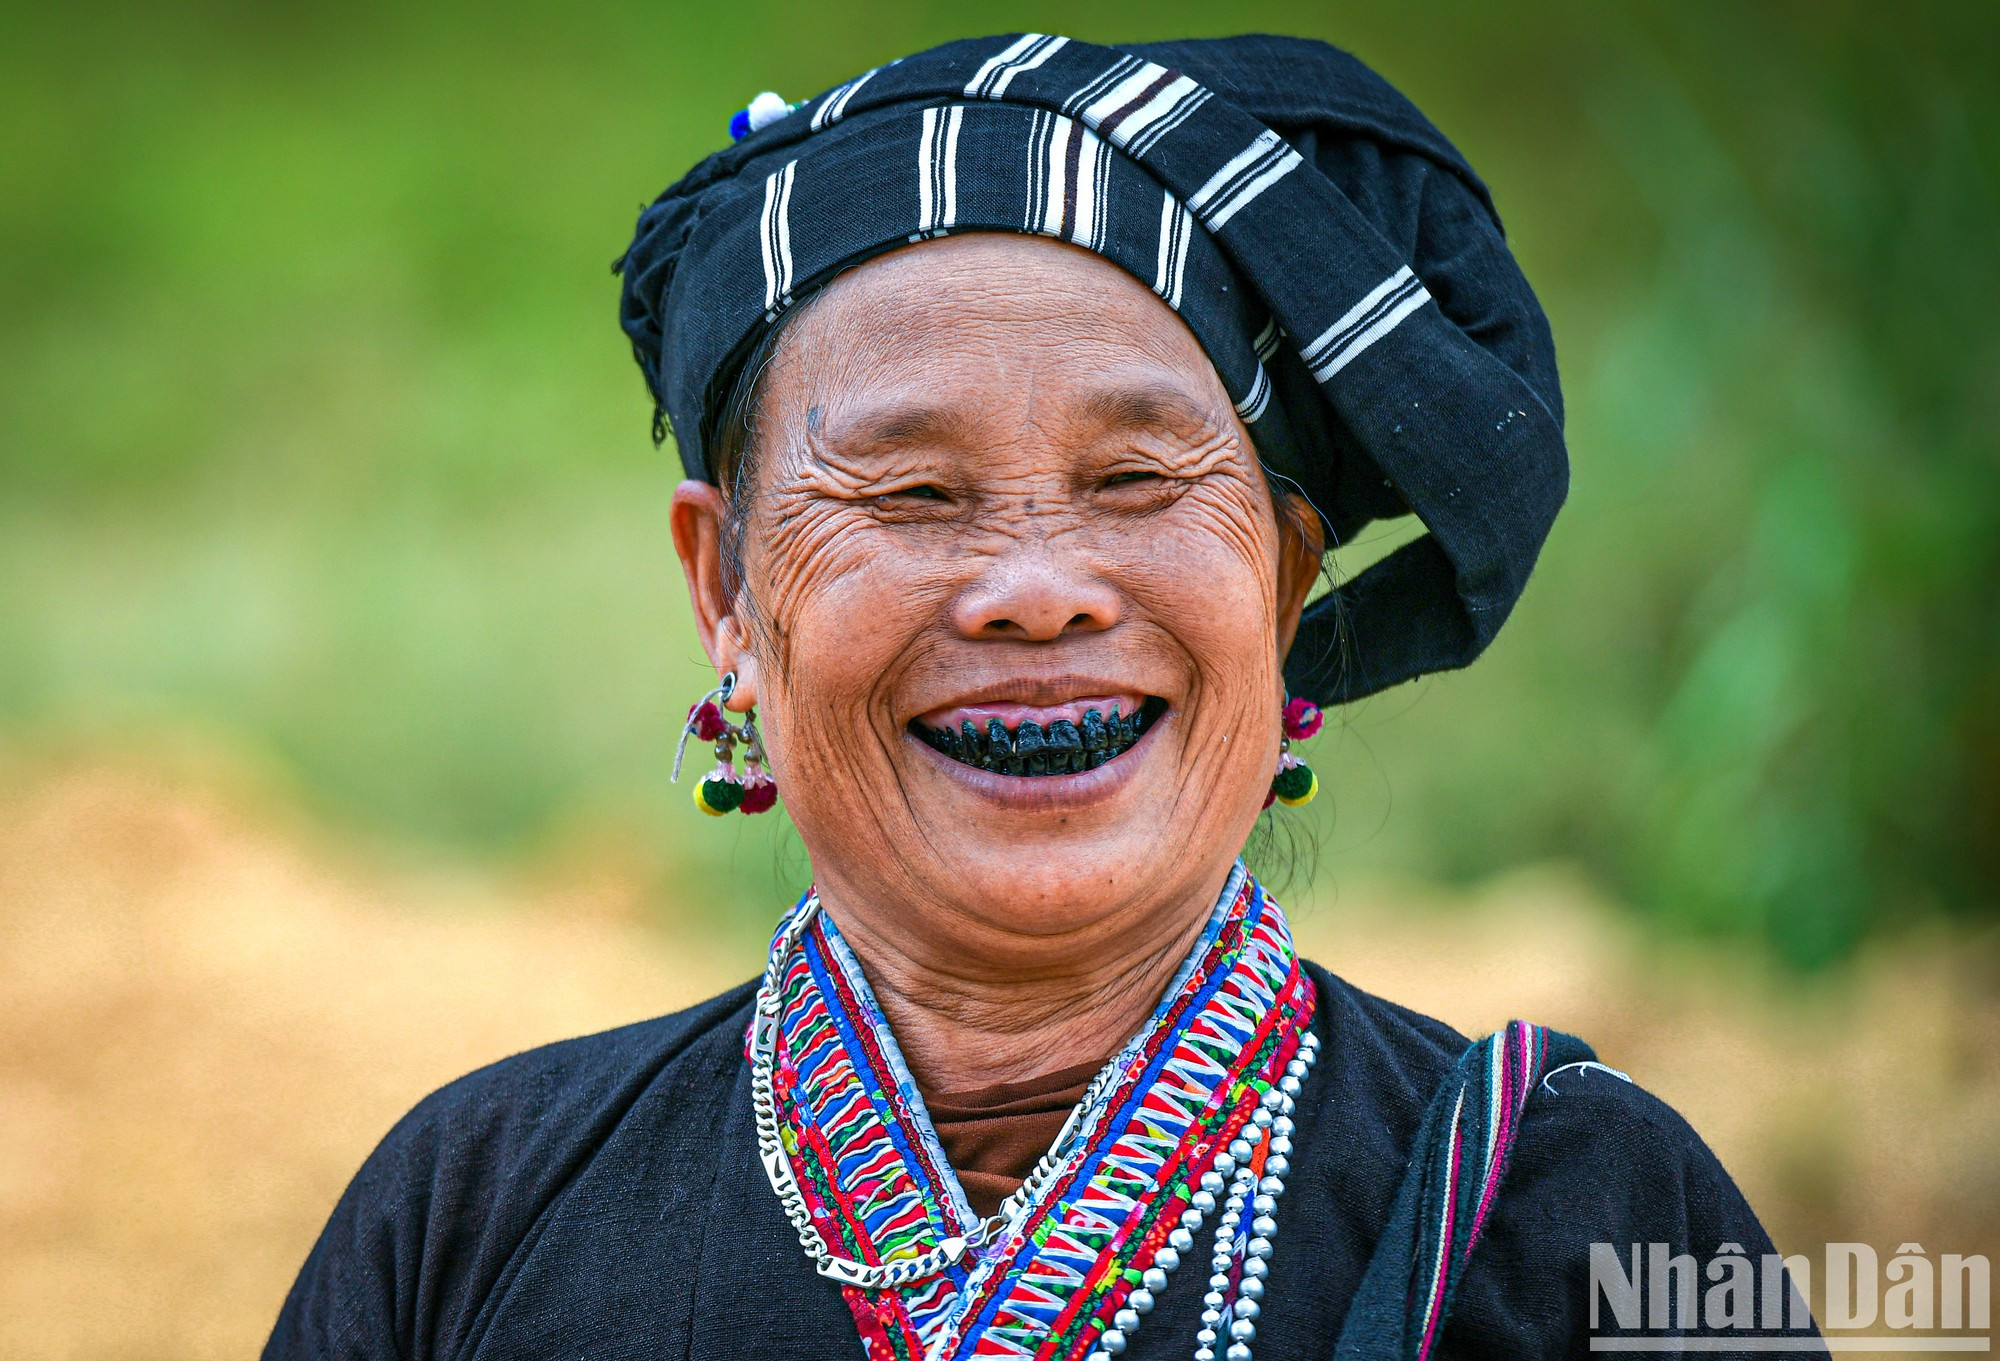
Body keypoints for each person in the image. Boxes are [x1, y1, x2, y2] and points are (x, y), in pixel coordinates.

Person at [266, 34, 1822, 1361]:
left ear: (1281, 583)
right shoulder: (468, 1219)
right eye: (916, 490)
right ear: (726, 594)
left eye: (1139, 478)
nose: (1037, 584)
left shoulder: (1584, 1216)